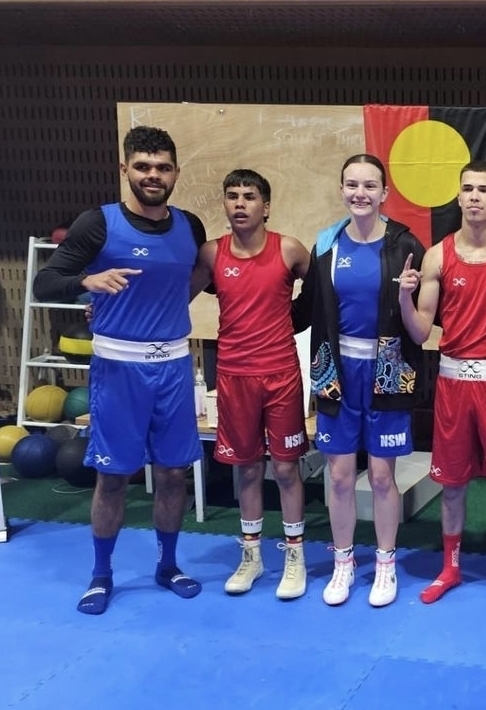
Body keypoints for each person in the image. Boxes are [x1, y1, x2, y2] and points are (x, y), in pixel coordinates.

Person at [32, 125, 208, 615]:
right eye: (144, 166)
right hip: (118, 369)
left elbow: (199, 276)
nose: (153, 175)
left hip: (173, 366)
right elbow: (46, 281)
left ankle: (168, 565)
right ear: (125, 169)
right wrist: (87, 281)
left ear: (175, 173)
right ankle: (101, 575)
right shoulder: (98, 223)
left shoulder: (190, 227)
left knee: (172, 473)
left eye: (163, 167)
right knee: (113, 477)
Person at [398, 160, 486, 620]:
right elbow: (421, 331)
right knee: (452, 486)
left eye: (484, 189)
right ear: (458, 197)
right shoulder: (438, 256)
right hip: (452, 385)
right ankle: (450, 568)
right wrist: (403, 297)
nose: (475, 196)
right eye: (467, 189)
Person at [292, 154, 427, 608]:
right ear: (341, 189)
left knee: (383, 476)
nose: (360, 194)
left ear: (385, 193)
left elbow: (427, 316)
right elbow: (305, 308)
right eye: (352, 184)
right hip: (337, 371)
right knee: (339, 474)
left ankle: (386, 563)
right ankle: (343, 561)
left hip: (388, 369)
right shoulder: (326, 244)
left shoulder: (405, 243)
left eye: (370, 186)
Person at [189, 169, 312, 601]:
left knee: (286, 467)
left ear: (266, 206)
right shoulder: (212, 253)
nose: (240, 203)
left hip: (281, 374)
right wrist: (113, 311)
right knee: (247, 467)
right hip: (234, 376)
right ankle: (252, 555)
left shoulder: (289, 249)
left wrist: (292, 323)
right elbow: (173, 299)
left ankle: (295, 556)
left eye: (249, 196)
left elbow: (320, 292)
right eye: (232, 196)